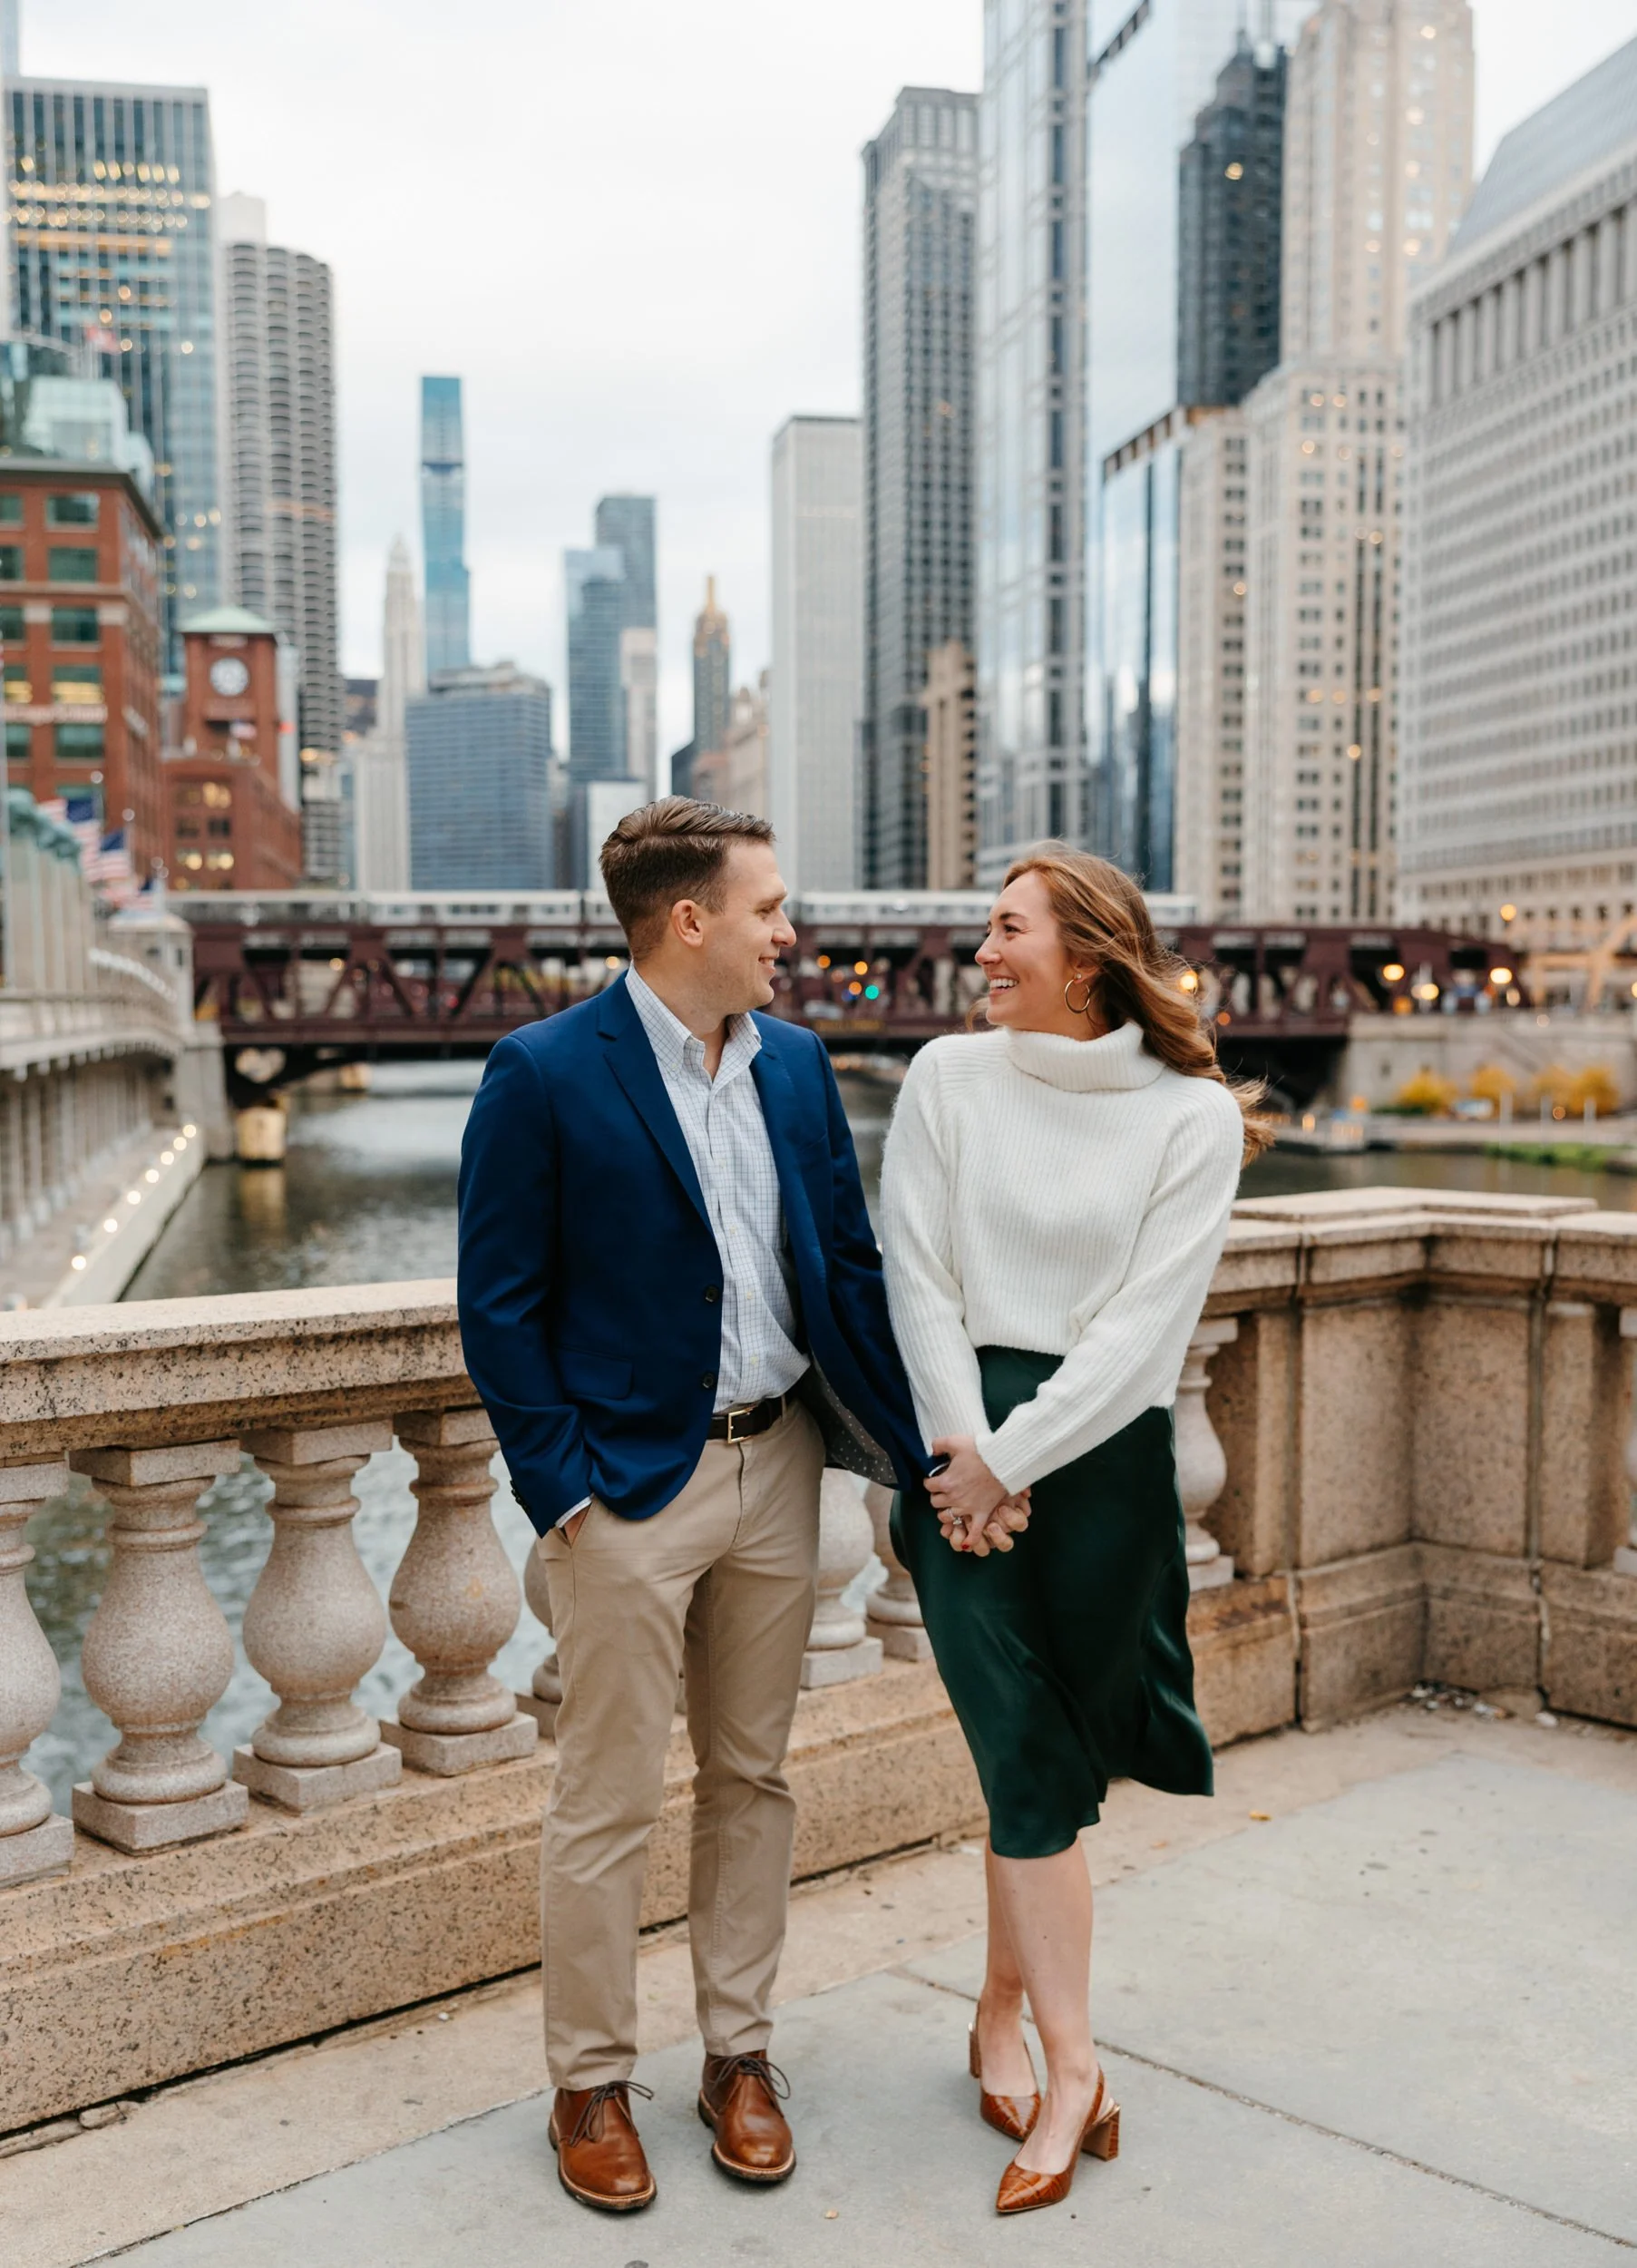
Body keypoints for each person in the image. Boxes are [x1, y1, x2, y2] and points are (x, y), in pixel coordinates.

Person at [456, 797, 930, 2217]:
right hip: (628, 1490)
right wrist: (563, 1497)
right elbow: (499, 1307)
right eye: (772, 907)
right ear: (690, 922)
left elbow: (843, 1271)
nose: (792, 932)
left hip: (781, 1466)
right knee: (605, 1800)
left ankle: (740, 2059)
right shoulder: (539, 1072)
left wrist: (925, 1448)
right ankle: (590, 2084)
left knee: (756, 1778)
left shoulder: (795, 1064)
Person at [879, 845, 1269, 2218]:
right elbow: (914, 1277)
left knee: (1038, 1769)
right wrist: (962, 1459)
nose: (981, 954)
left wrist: (1016, 1461)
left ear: (1089, 956)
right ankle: (1074, 2070)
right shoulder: (946, 1079)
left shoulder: (1193, 1117)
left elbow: (1142, 1337)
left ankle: (996, 2015)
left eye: (1006, 930)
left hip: (1098, 1466)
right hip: (952, 1450)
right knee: (1027, 1756)